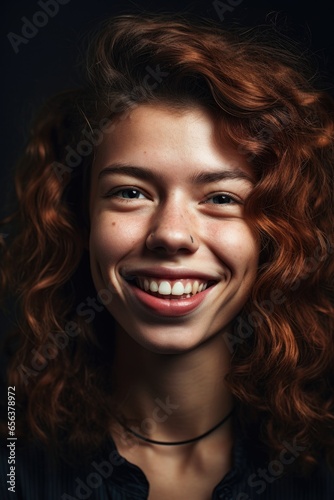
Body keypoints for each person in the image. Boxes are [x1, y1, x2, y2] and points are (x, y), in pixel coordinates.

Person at [0, 12, 333, 500]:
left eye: (221, 198)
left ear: (276, 233)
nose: (172, 235)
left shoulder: (320, 458)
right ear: (80, 216)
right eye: (131, 192)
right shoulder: (12, 439)